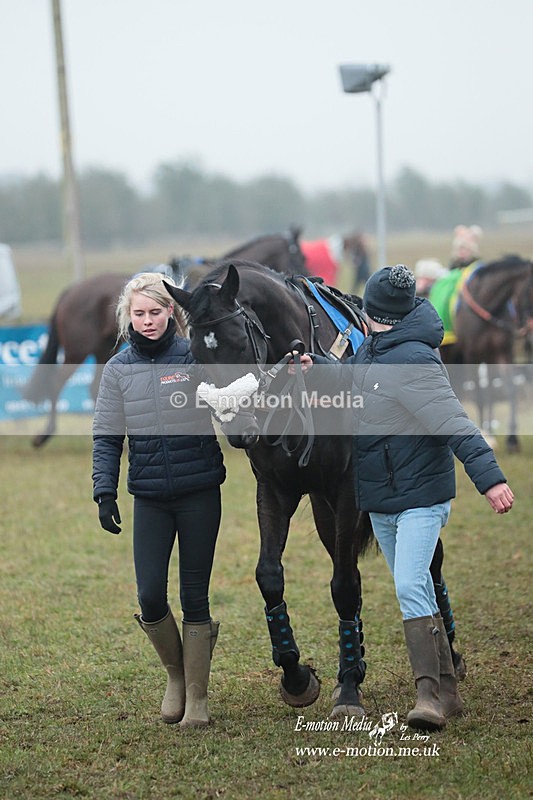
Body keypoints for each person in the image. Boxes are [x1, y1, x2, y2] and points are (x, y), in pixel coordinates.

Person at [291, 263, 514, 731]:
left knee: (410, 584)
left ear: (374, 314)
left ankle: (428, 696)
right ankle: (449, 689)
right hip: (385, 497)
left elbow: (455, 422)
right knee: (417, 585)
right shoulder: (377, 348)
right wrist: (320, 368)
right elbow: (354, 378)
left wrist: (490, 480)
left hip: (421, 497)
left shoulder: (413, 361)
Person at [92, 272, 226, 728]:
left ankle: (198, 698)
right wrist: (104, 490)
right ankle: (175, 676)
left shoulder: (195, 357)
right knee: (150, 595)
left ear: (172, 312)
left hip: (199, 493)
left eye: (155, 311)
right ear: (128, 317)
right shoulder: (118, 370)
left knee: (195, 597)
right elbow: (107, 436)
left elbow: (232, 398)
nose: (147, 321)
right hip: (148, 497)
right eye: (139, 313)